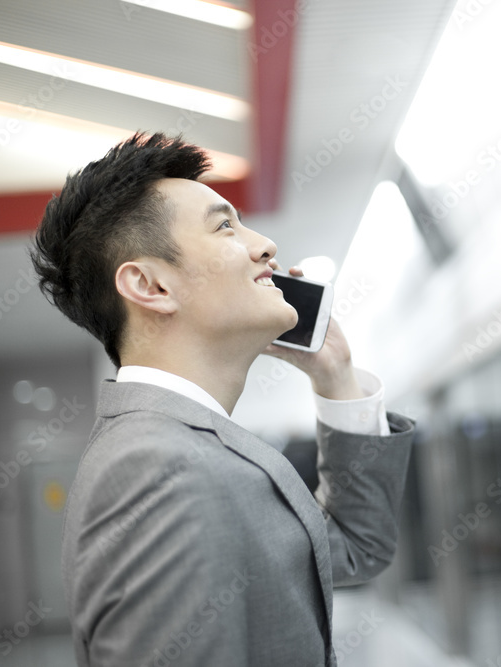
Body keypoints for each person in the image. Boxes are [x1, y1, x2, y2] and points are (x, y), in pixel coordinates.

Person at [29, 132, 415, 666]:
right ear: (151, 286)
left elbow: (355, 547)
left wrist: (336, 378)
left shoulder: (187, 448)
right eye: (225, 225)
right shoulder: (156, 470)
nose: (265, 246)